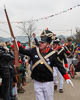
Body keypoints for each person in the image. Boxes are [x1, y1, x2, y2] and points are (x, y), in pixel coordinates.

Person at [17, 29, 73, 100]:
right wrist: (17, 43)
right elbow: (23, 51)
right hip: (37, 82)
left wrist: (66, 77)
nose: (41, 43)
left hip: (48, 83)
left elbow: (60, 66)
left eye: (43, 42)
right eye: (40, 42)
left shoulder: (53, 54)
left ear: (48, 44)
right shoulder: (34, 51)